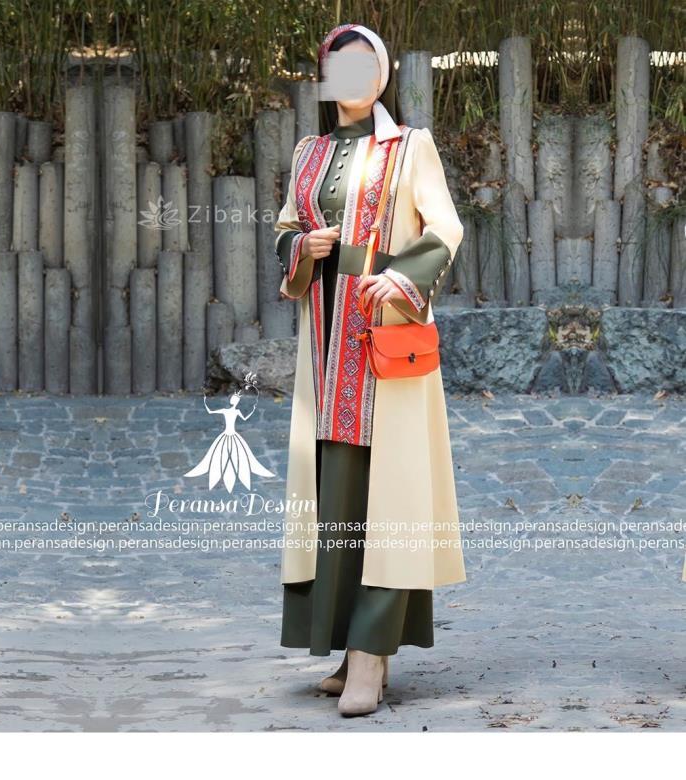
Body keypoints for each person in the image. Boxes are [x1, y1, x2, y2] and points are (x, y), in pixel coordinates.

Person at [274, 22, 466, 717]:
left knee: (390, 497)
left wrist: (403, 277)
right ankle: (346, 646)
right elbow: (284, 229)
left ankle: (371, 655)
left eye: (364, 65)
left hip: (385, 340)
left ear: (382, 75)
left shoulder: (411, 146)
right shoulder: (309, 152)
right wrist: (303, 245)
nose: (352, 78)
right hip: (325, 349)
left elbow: (445, 228)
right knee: (337, 497)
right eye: (339, 67)